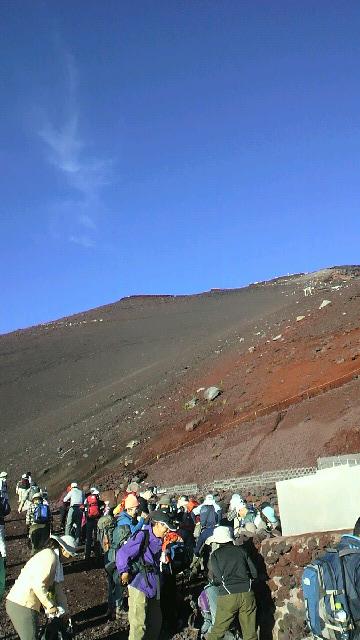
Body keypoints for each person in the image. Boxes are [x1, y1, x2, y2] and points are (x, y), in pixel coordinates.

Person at [6, 534, 79, 640]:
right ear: (63, 550)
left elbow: (57, 589)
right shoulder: (50, 558)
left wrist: (65, 612)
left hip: (20, 603)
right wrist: (50, 606)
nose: (71, 558)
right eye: (71, 555)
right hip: (23, 604)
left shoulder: (52, 558)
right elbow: (38, 584)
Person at [116, 510, 174, 640]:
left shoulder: (159, 540)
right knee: (138, 624)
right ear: (157, 524)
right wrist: (124, 571)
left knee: (155, 622)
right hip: (139, 583)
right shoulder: (142, 535)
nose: (167, 531)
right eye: (165, 527)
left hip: (153, 582)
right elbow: (123, 553)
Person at [205, 526, 258, 640]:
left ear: (217, 540)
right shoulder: (242, 551)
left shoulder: (216, 555)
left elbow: (218, 579)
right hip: (247, 593)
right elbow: (254, 573)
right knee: (250, 634)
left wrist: (214, 583)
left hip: (228, 596)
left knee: (217, 632)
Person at [83, 488, 104, 560]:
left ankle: (87, 555)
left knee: (88, 538)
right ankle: (98, 554)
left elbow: (84, 509)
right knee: (97, 537)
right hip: (97, 520)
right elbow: (101, 509)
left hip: (89, 520)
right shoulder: (98, 500)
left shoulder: (87, 500)